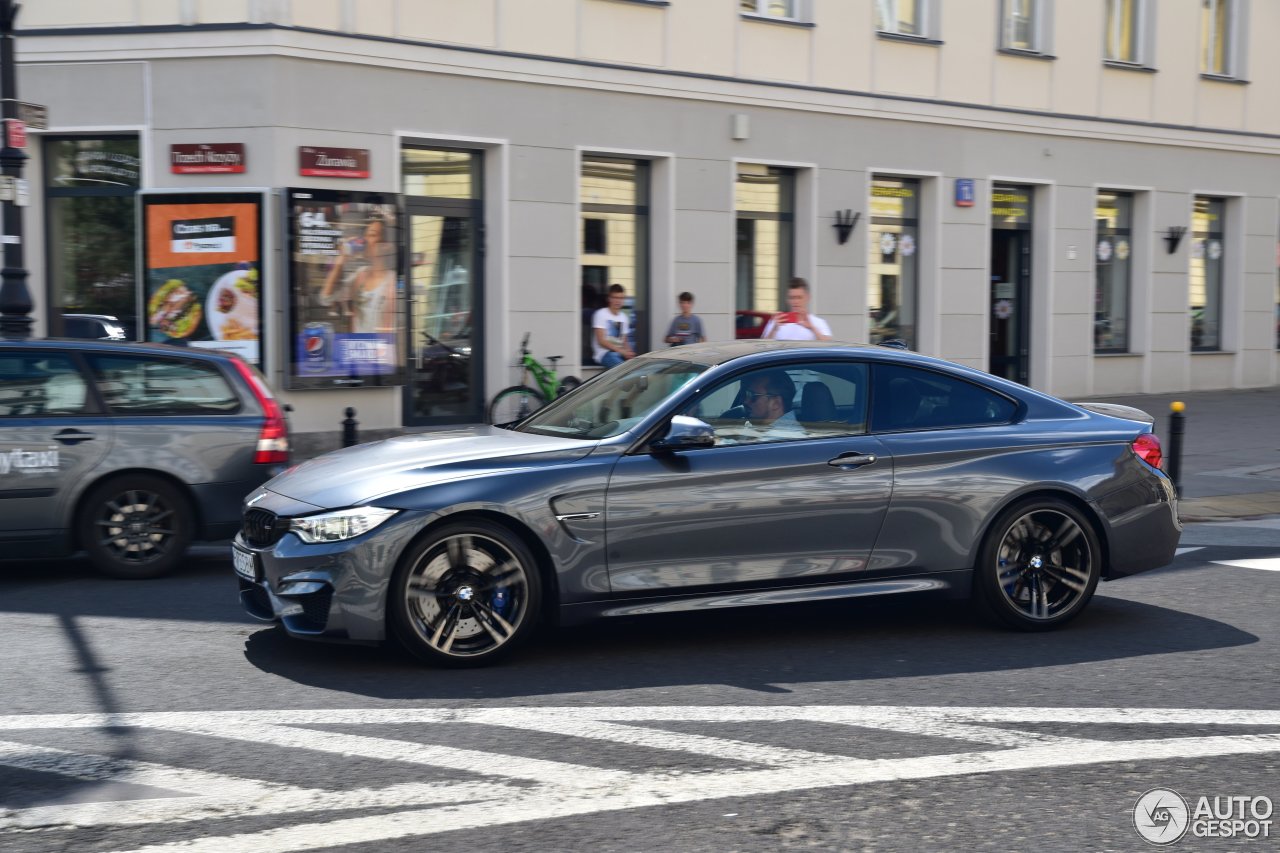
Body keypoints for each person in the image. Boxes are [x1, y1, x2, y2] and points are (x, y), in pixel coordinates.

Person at [320, 210, 396, 334]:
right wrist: (340, 261)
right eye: (365, 235)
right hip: (358, 350)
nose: (365, 240)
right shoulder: (360, 275)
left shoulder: (393, 282)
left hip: (382, 350)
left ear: (386, 245)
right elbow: (325, 298)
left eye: (371, 235)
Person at [763, 277, 833, 341]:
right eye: (792, 298)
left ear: (808, 297)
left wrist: (812, 328)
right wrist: (774, 329)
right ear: (787, 300)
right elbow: (763, 346)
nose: (795, 302)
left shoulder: (818, 322)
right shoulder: (778, 321)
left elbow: (828, 345)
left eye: (799, 297)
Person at [741, 370, 805, 439]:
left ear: (775, 403)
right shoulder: (762, 430)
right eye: (747, 394)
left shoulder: (783, 437)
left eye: (753, 396)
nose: (746, 401)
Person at [592, 283, 635, 368]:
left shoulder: (624, 317)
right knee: (623, 370)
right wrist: (621, 351)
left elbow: (624, 341)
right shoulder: (601, 314)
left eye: (621, 298)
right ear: (609, 299)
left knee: (636, 367)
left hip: (619, 354)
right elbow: (601, 341)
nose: (618, 301)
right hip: (605, 354)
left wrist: (629, 353)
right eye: (615, 297)